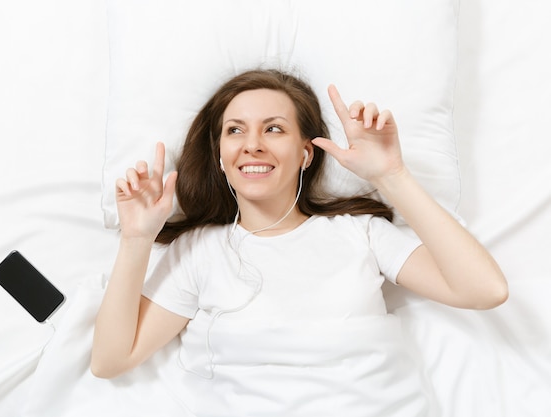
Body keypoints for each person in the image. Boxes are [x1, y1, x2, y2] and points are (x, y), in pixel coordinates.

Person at [91, 69, 508, 416]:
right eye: (235, 130)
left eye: (273, 129)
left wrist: (391, 174)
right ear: (220, 155)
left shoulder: (359, 233)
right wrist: (136, 238)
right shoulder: (200, 251)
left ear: (306, 153)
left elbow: (485, 290)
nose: (252, 143)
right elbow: (111, 361)